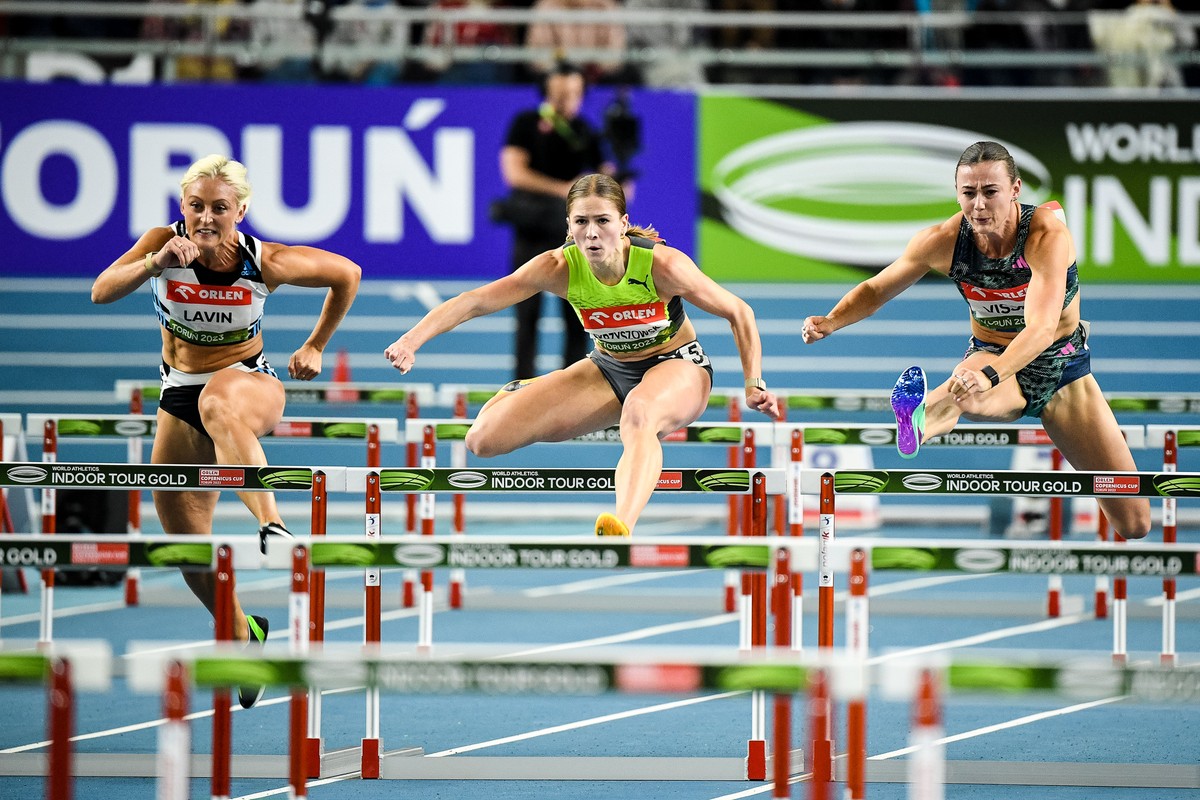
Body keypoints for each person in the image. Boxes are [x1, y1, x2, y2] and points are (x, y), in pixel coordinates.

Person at [91, 154, 361, 707]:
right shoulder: (161, 244)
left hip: (248, 386)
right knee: (186, 548)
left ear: (241, 210)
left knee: (219, 401)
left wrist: (314, 346)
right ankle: (245, 635)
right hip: (177, 394)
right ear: (182, 209)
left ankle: (274, 527)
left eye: (219, 208)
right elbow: (101, 290)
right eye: (196, 207)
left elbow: (346, 274)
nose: (206, 218)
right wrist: (154, 263)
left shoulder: (266, 261)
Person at [386, 173, 780, 536]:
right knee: (483, 440)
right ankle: (522, 389)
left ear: (623, 223)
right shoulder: (558, 266)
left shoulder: (663, 265)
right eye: (581, 223)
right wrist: (411, 340)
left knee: (640, 414)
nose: (592, 234)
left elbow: (738, 312)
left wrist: (753, 382)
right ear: (569, 227)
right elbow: (475, 302)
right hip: (608, 368)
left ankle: (621, 523)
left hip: (677, 365)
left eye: (603, 221)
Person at [800, 141, 1150, 541]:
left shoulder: (1046, 237)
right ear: (957, 194)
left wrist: (990, 374)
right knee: (966, 392)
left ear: (1015, 189)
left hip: (1061, 367)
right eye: (968, 194)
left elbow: (1039, 330)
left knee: (1134, 522)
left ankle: (936, 411)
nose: (979, 205)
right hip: (990, 352)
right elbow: (876, 290)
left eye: (990, 192)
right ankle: (921, 419)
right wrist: (831, 321)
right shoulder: (943, 240)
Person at [496, 60, 610, 380]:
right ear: (546, 93)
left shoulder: (587, 131)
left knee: (577, 317)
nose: (566, 101)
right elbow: (513, 172)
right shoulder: (525, 123)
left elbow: (609, 184)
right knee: (526, 313)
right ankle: (521, 388)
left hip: (573, 235)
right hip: (532, 228)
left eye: (574, 94)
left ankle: (571, 391)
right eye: (559, 94)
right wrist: (563, 189)